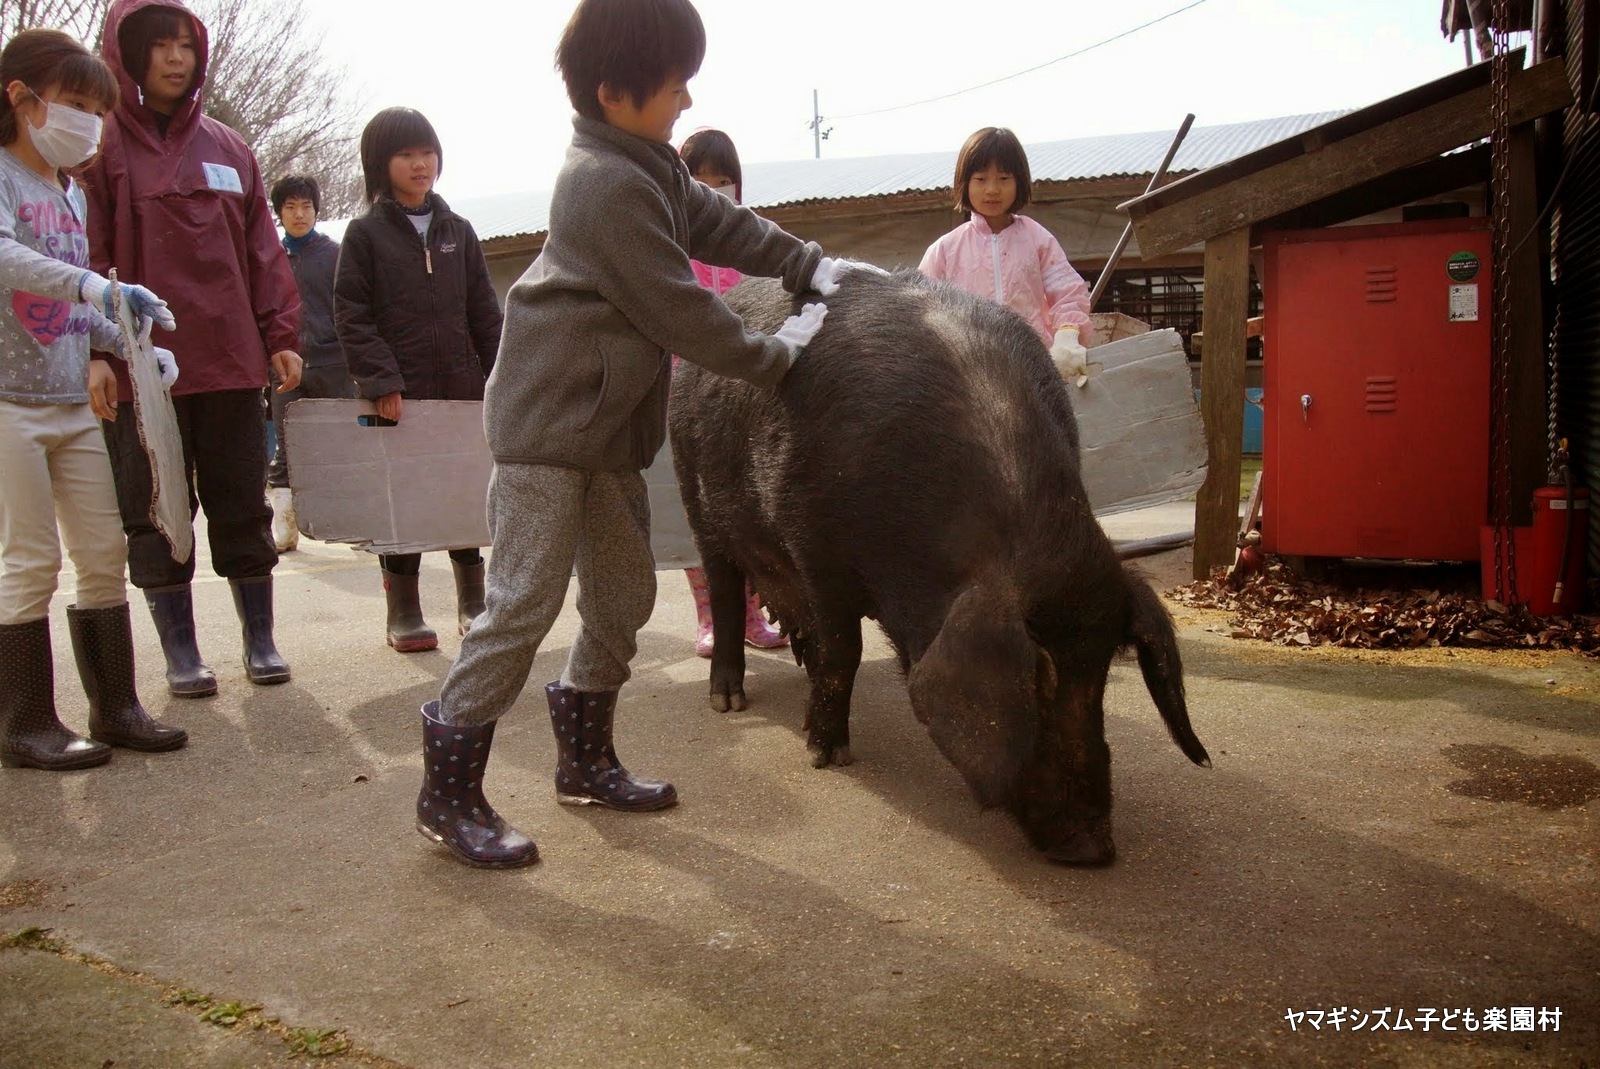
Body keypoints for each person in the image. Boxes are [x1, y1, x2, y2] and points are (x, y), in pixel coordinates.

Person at [412, 0, 872, 869]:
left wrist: (808, 263)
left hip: (607, 433)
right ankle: (447, 792)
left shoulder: (649, 163)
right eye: (673, 84)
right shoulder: (601, 182)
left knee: (622, 601)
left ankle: (585, 760)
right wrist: (782, 359)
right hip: (549, 431)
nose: (687, 98)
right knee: (520, 607)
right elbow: (677, 306)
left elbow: (721, 224)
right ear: (614, 91)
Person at [84, 0, 303, 698]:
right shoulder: (99, 151)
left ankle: (260, 637)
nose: (176, 58)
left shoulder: (230, 148)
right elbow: (84, 256)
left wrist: (281, 334)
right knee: (154, 506)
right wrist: (97, 351)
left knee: (242, 498)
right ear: (129, 55)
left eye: (186, 46)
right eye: (160, 46)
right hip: (140, 368)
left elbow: (263, 252)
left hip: (231, 359)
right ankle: (181, 650)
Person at [0, 27, 186, 770]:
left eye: (98, 111)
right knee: (29, 559)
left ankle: (116, 706)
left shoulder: (70, 193)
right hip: (7, 400)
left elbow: (73, 305)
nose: (90, 124)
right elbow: (11, 261)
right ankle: (25, 721)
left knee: (103, 552)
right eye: (76, 104)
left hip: (69, 401)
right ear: (20, 99)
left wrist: (130, 343)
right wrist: (89, 284)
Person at [334, 106, 502, 652]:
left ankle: (474, 602)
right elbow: (351, 314)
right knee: (401, 498)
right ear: (380, 164)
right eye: (405, 154)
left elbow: (484, 312)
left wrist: (496, 379)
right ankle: (403, 610)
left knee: (465, 492)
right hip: (397, 395)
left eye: (426, 152)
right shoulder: (364, 235)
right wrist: (381, 380)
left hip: (461, 387)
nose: (419, 163)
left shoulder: (459, 230)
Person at [675, 127, 785, 657]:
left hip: (747, 402)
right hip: (690, 402)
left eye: (724, 181)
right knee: (703, 514)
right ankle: (712, 615)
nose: (714, 191)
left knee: (755, 511)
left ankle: (753, 612)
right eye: (701, 180)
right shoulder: (667, 246)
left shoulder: (755, 242)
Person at [918, 126, 1092, 384]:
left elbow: (1067, 291)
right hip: (969, 376)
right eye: (980, 179)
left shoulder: (1037, 239)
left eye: (1003, 178)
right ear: (963, 184)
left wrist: (1067, 333)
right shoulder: (944, 249)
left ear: (1019, 182)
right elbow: (921, 308)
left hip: (1034, 368)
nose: (992, 189)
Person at [267, 173, 355, 553]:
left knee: (345, 442)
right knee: (286, 448)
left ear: (317, 211)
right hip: (285, 367)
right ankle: (285, 530)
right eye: (290, 207)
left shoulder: (335, 254)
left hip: (334, 362)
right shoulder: (269, 259)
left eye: (305, 206)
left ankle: (355, 523)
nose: (299, 214)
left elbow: (353, 307)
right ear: (279, 213)